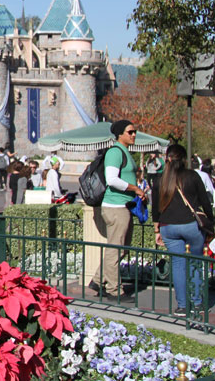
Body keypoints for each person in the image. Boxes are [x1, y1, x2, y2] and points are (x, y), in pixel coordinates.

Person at [89, 120, 146, 301]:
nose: (134, 135)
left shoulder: (125, 152)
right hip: (115, 207)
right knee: (116, 249)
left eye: (135, 131)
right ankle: (114, 290)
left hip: (124, 206)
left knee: (122, 249)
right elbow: (112, 179)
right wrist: (135, 188)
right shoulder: (115, 152)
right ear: (120, 134)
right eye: (130, 132)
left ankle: (98, 281)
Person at [153, 144, 214, 314]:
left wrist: (157, 230)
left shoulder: (160, 180)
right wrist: (211, 223)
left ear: (167, 158)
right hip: (190, 225)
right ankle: (197, 302)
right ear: (185, 159)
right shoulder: (192, 176)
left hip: (168, 226)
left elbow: (155, 208)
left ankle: (181, 305)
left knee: (178, 265)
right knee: (195, 263)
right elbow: (205, 202)